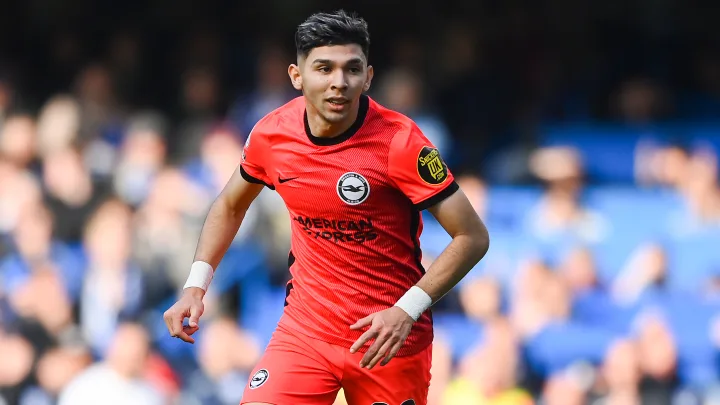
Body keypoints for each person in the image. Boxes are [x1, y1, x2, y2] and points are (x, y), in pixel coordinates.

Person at [163, 9, 489, 405]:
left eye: (352, 69)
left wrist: (407, 310)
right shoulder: (272, 134)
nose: (339, 82)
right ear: (296, 76)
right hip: (307, 332)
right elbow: (230, 205)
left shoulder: (401, 141)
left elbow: (472, 236)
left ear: (368, 77)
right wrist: (195, 286)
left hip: (387, 338)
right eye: (324, 68)